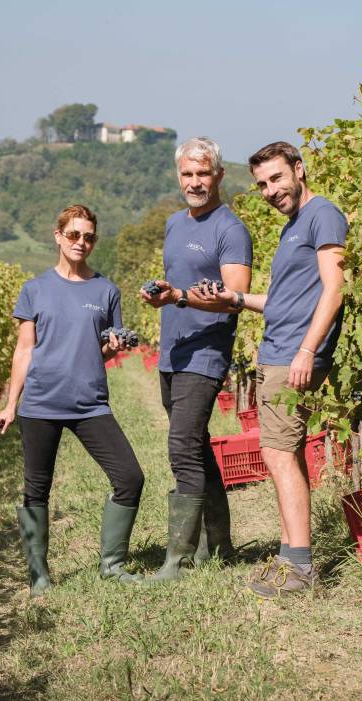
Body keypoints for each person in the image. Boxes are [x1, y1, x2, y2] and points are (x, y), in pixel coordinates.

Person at [197, 141, 347, 598]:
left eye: (277, 178)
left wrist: (306, 350)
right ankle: (288, 558)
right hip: (278, 353)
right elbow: (282, 301)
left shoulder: (322, 214)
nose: (269, 190)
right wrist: (236, 299)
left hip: (292, 358)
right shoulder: (293, 227)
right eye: (262, 184)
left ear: (299, 170)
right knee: (281, 454)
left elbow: (335, 288)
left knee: (281, 456)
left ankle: (301, 568)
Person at [0, 204, 144, 597]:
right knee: (36, 489)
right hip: (41, 403)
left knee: (130, 477)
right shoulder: (35, 289)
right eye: (75, 234)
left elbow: (102, 350)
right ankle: (39, 575)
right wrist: (11, 405)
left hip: (90, 403)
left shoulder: (106, 291)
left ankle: (112, 566)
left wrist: (111, 349)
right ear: (58, 236)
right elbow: (24, 351)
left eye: (89, 236)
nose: (82, 242)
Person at [138, 137, 253, 581]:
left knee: (181, 445)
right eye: (187, 174)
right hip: (172, 348)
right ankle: (217, 544)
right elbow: (177, 284)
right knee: (198, 446)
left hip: (206, 352)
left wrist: (181, 297)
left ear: (219, 175)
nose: (195, 182)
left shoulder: (230, 229)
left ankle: (180, 558)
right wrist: (162, 295)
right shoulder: (174, 224)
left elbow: (233, 299)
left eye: (203, 173)